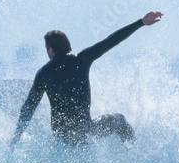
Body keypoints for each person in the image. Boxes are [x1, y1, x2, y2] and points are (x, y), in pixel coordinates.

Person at [11, 11, 163, 146]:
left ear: (50, 49)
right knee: (119, 119)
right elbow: (111, 41)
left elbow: (29, 107)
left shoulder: (43, 73)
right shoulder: (81, 59)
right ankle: (133, 152)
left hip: (60, 138)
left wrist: (16, 137)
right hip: (84, 133)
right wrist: (141, 23)